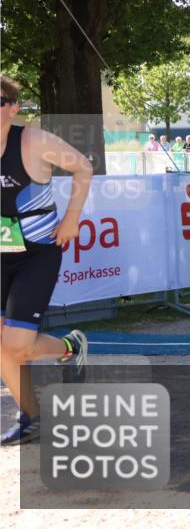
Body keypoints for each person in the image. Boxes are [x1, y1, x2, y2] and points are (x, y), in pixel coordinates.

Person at [1, 75, 91, 445]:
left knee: (18, 346)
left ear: (13, 107)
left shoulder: (33, 140)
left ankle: (71, 347)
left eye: (1, 100)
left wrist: (71, 218)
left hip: (37, 255)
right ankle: (32, 417)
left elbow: (83, 166)